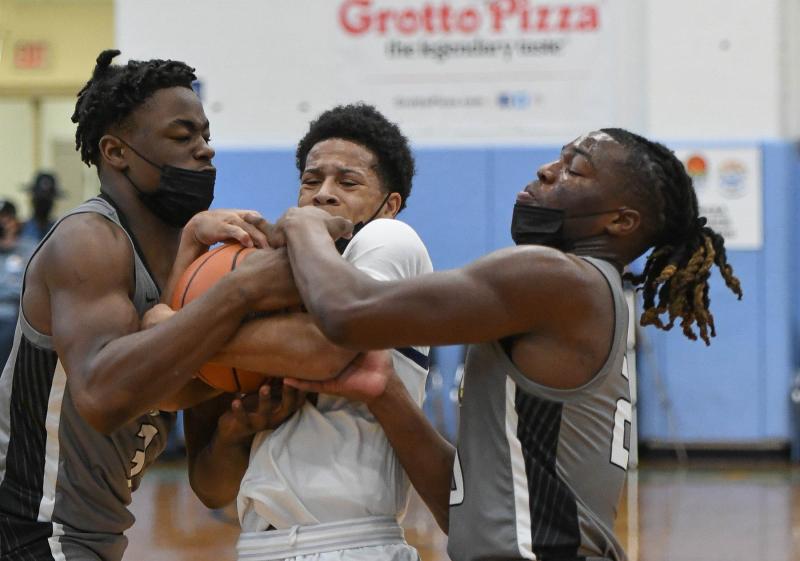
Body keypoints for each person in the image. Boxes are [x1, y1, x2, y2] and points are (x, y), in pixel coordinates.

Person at [273, 128, 743, 561]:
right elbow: (462, 512)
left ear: (620, 221)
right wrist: (387, 394)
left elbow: (345, 313)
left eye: (573, 170)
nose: (546, 171)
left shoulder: (554, 279)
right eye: (558, 160)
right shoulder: (588, 294)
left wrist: (304, 226)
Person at [0, 50, 306, 561]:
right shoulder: (89, 243)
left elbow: (213, 488)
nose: (205, 151)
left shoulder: (199, 274)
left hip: (91, 539)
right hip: (26, 529)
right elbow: (103, 393)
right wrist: (239, 295)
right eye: (183, 137)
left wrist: (236, 428)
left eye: (206, 136)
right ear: (116, 152)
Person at [182, 103, 433, 561]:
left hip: (350, 541)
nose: (324, 194)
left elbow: (325, 350)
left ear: (389, 205)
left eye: (348, 181)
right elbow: (211, 489)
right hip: (259, 544)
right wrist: (235, 433)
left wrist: (189, 329)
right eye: (312, 180)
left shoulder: (388, 239)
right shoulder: (268, 287)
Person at [0, 199, 37, 363]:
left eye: (6, 219)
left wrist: (9, 243)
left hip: (15, 314)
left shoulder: (28, 248)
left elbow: (28, 288)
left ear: (15, 222)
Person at [20, 172, 61, 242]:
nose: (43, 203)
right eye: (40, 198)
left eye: (47, 199)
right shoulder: (19, 229)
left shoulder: (60, 229)